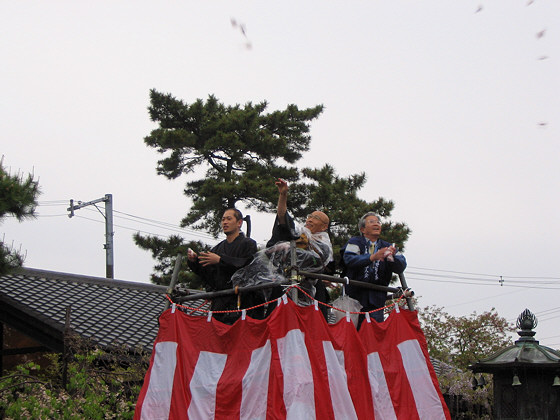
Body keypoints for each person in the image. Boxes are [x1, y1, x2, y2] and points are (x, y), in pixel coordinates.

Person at [266, 178, 333, 318]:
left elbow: (315, 261)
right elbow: (283, 220)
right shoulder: (299, 235)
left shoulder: (324, 245)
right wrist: (283, 196)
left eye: (315, 218)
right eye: (309, 216)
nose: (309, 220)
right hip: (286, 285)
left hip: (311, 290)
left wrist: (292, 250)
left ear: (324, 226)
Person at [187, 208, 259, 324]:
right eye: (223, 219)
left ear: (239, 223)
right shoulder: (217, 249)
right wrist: (194, 261)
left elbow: (246, 266)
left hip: (241, 300)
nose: (225, 222)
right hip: (220, 303)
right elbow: (208, 275)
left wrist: (221, 260)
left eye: (229, 219)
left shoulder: (248, 244)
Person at [342, 212, 406, 325]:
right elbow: (349, 259)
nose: (376, 224)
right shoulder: (355, 242)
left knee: (374, 332)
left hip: (377, 298)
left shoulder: (388, 246)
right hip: (355, 296)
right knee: (353, 331)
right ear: (362, 229)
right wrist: (372, 257)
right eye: (371, 222)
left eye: (378, 222)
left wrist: (392, 257)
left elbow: (401, 266)